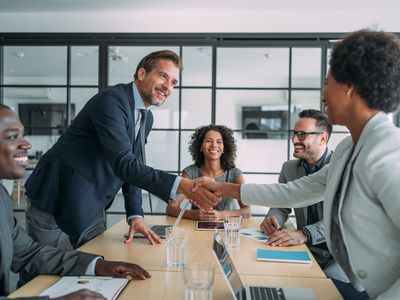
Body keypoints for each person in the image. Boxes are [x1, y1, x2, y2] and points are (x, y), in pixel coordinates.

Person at [194, 29, 400, 300]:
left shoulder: (389, 153)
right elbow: (292, 192)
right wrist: (221, 188)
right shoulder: (348, 148)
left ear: (350, 86)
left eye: (328, 83)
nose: (324, 95)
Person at [24, 50, 219, 252]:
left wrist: (136, 215)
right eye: (163, 76)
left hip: (92, 202)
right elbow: (123, 163)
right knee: (42, 271)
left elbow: (134, 166)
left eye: (173, 83)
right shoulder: (111, 101)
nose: (168, 87)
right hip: (55, 197)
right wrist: (183, 185)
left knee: (93, 266)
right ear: (142, 73)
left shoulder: (146, 118)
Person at [0, 104, 151, 299]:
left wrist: (98, 265)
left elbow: (29, 253)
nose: (27, 144)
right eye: (13, 136)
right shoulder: (110, 102)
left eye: (22, 135)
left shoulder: (2, 197)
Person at [260, 109, 348, 283]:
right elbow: (281, 204)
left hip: (341, 256)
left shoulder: (341, 168)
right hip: (305, 250)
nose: (293, 140)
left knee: (324, 288)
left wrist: (305, 233)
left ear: (322, 138)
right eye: (294, 134)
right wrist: (273, 218)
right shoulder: (289, 168)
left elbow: (342, 218)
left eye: (301, 135)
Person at [166, 125, 251, 221]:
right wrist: (193, 215)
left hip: (228, 229)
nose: (214, 145)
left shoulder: (235, 174)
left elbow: (247, 211)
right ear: (200, 147)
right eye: (208, 141)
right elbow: (170, 208)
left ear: (224, 148)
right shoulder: (190, 173)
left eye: (219, 142)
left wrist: (221, 215)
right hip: (196, 228)